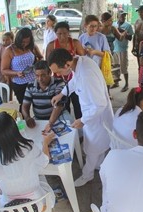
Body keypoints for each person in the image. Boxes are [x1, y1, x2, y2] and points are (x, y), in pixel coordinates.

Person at [48, 48, 113, 187]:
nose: (57, 75)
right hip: (92, 114)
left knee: (91, 149)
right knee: (97, 148)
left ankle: (87, 175)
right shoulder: (79, 62)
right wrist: (62, 94)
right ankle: (99, 165)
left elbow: (100, 104)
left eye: (58, 71)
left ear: (66, 64)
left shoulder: (87, 75)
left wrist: (82, 120)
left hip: (96, 117)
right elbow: (73, 81)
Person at [0, 112, 55, 208]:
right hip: (37, 203)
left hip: (9, 208)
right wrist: (45, 142)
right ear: (15, 129)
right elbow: (45, 161)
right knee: (41, 178)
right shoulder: (28, 146)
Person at [46, 21, 84, 120]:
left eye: (65, 33)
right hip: (59, 80)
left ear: (68, 32)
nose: (62, 36)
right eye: (59, 34)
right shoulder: (51, 45)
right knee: (63, 105)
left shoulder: (75, 43)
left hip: (74, 77)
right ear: (55, 33)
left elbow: (82, 58)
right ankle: (69, 127)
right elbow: (48, 63)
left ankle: (80, 125)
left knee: (78, 103)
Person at [1, 27, 43, 112]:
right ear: (18, 39)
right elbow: (4, 70)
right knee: (24, 106)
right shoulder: (9, 50)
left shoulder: (32, 47)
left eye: (27, 42)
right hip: (19, 84)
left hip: (34, 81)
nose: (25, 44)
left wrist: (37, 65)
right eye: (23, 42)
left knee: (38, 104)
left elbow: (41, 57)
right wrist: (16, 73)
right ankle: (24, 123)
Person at [22, 60, 72, 129]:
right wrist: (27, 117)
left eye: (43, 75)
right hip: (39, 118)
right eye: (37, 75)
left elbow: (58, 105)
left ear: (50, 73)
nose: (40, 79)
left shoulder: (59, 83)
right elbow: (25, 105)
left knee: (71, 128)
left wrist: (50, 123)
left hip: (59, 116)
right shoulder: (30, 85)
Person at [111, 10, 134, 91]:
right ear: (118, 16)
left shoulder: (128, 25)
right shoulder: (113, 24)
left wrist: (121, 31)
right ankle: (116, 82)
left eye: (124, 16)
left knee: (124, 67)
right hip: (114, 48)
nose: (123, 17)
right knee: (115, 67)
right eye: (121, 16)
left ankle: (126, 84)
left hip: (123, 49)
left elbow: (130, 38)